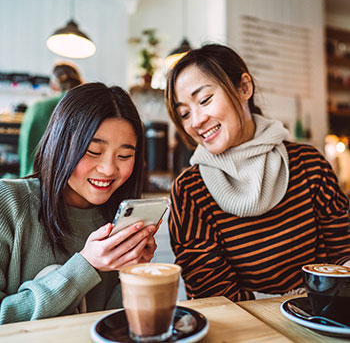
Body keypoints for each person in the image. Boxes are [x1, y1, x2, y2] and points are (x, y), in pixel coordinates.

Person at [165, 44, 350, 302]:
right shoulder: (190, 190)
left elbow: (343, 253)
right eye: (184, 113)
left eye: (205, 100)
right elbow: (211, 294)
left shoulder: (309, 165)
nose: (195, 121)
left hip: (320, 321)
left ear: (244, 88)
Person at [0, 83, 157, 324]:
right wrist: (85, 266)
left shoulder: (119, 219)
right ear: (60, 144)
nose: (108, 169)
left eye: (124, 156)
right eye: (93, 151)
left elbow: (113, 326)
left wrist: (132, 272)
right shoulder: (8, 202)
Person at [18, 62, 83, 177]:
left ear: (53, 85)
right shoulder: (87, 107)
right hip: (72, 179)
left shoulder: (37, 107)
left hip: (33, 177)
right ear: (80, 81)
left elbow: (25, 150)